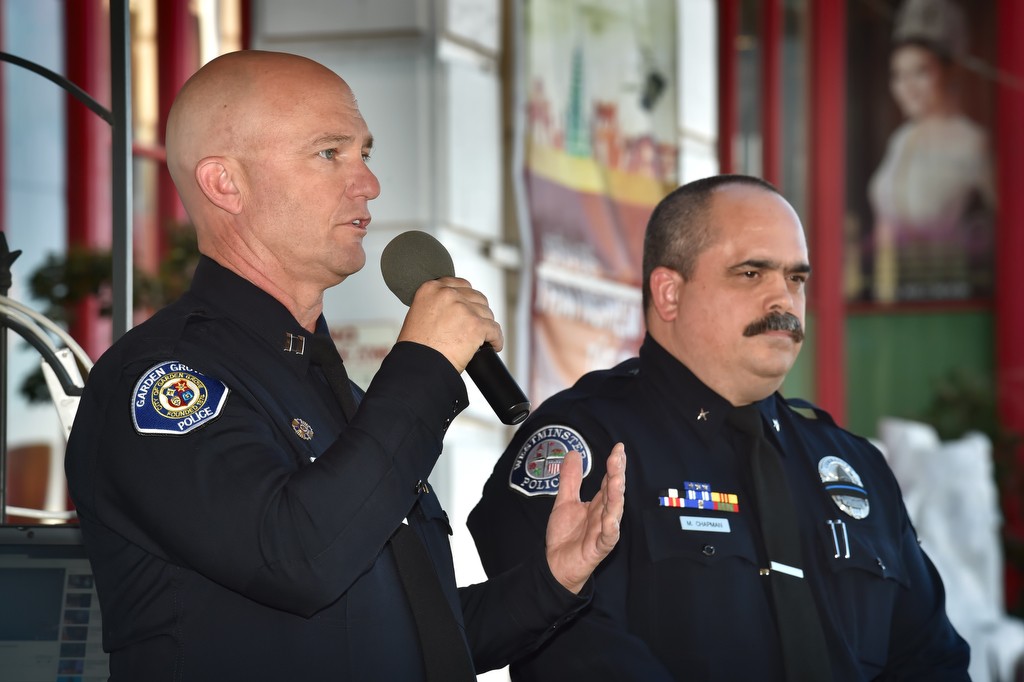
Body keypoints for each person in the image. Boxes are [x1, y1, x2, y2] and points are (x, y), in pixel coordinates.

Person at [63, 49, 626, 681]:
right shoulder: (162, 380)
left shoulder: (340, 396)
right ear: (226, 183)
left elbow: (406, 637)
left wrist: (552, 580)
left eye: (366, 153)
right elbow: (299, 559)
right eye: (330, 153)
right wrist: (426, 364)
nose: (368, 184)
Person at [469, 174, 970, 680]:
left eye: (796, 278)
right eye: (752, 274)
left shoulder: (852, 465)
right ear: (669, 293)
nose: (784, 301)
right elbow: (575, 655)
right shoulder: (586, 444)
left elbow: (932, 659)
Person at [867, 0, 995, 302]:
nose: (906, 87)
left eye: (920, 72)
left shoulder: (973, 143)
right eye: (898, 75)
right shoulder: (901, 139)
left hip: (947, 295)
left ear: (948, 72)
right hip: (889, 296)